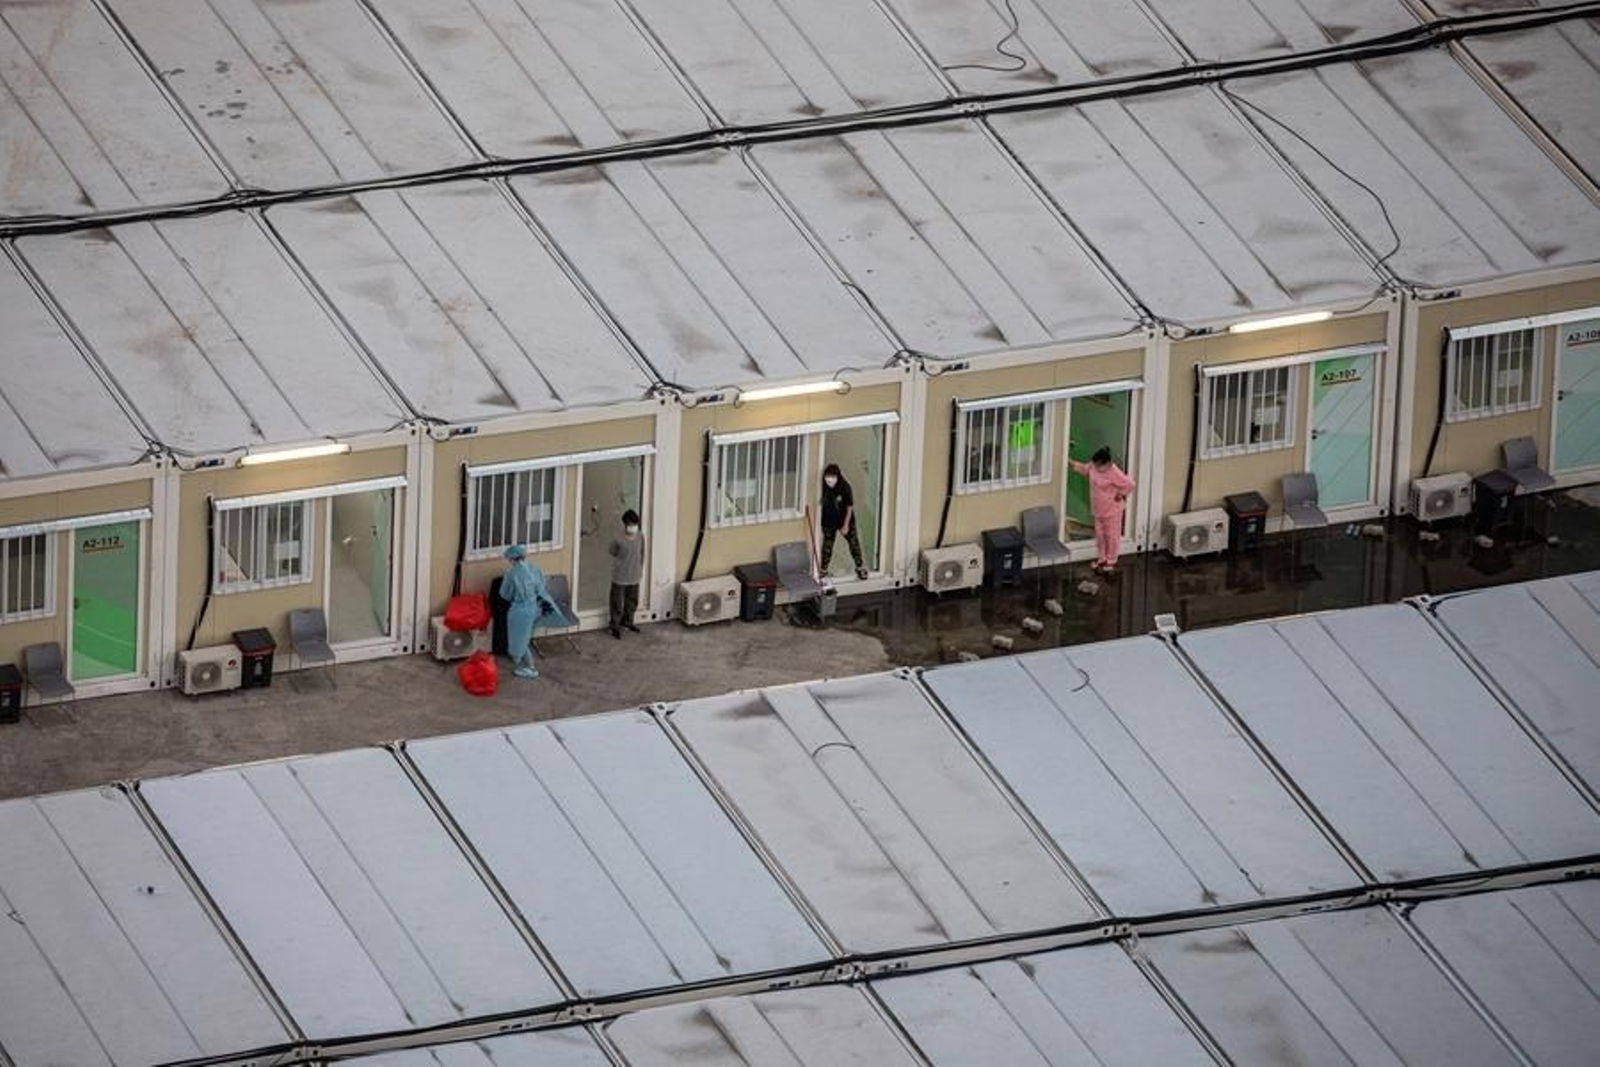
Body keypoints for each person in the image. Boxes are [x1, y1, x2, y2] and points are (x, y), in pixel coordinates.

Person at [1070, 446, 1135, 575]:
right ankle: (1102, 558)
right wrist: (1070, 462)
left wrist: (1121, 494)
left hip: (1112, 510)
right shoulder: (1093, 466)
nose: (1096, 467)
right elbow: (1085, 469)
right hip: (1098, 509)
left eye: (1099, 465)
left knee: (1111, 536)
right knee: (1100, 535)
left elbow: (1130, 484)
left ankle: (1111, 561)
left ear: (1107, 463)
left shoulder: (1113, 472)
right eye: (1095, 464)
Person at [499, 544, 557, 679]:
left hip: (520, 611)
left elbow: (504, 594)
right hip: (535, 608)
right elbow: (541, 586)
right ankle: (520, 660)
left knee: (520, 640)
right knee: (526, 637)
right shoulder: (534, 568)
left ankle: (530, 668)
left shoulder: (511, 574)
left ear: (512, 558)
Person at [819, 463, 869, 581]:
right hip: (829, 520)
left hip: (845, 519)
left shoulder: (845, 487)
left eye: (831, 477)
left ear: (837, 476)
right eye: (827, 477)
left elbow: (849, 507)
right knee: (827, 546)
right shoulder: (823, 485)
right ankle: (823, 570)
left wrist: (845, 525)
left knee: (853, 544)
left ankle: (860, 567)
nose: (829, 480)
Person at [608, 509, 645, 639]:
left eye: (635, 523)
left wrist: (640, 569)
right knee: (617, 602)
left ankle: (628, 622)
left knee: (632, 601)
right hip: (620, 576)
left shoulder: (640, 536)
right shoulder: (618, 538)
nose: (633, 526)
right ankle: (615, 626)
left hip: (634, 575)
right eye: (631, 523)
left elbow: (642, 553)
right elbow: (612, 551)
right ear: (625, 524)